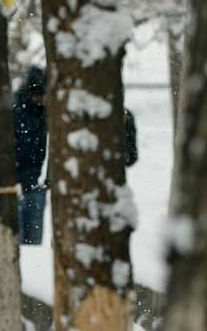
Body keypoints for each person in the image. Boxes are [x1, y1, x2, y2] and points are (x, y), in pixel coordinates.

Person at [13, 65, 140, 245]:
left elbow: (129, 157)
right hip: (32, 185)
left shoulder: (116, 116)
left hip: (95, 194)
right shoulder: (41, 111)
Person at [14, 65, 48, 245]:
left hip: (35, 184)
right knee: (16, 240)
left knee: (34, 243)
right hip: (14, 185)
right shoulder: (15, 110)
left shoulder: (44, 114)